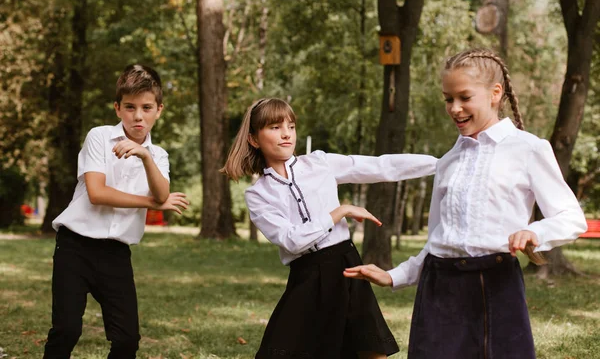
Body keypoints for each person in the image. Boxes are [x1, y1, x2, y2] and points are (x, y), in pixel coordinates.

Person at [344, 48, 588, 359]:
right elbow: (438, 239)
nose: (455, 108)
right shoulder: (449, 160)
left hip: (496, 287)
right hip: (438, 288)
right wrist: (395, 276)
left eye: (464, 97)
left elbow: (570, 217)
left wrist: (536, 233)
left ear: (494, 93)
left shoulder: (528, 149)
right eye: (448, 99)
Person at [221, 97, 438, 359]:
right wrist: (340, 212)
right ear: (254, 139)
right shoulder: (258, 194)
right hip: (307, 277)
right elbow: (291, 240)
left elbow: (383, 166)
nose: (286, 134)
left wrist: (442, 164)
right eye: (275, 127)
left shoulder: (319, 163)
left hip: (346, 266)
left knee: (370, 351)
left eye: (290, 125)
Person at [43, 64, 189, 359]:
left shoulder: (158, 155)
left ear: (159, 110)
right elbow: (98, 194)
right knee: (67, 330)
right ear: (117, 108)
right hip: (76, 248)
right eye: (130, 107)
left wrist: (145, 156)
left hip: (116, 255)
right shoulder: (98, 137)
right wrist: (151, 203)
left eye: (147, 107)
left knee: (126, 340)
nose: (138, 116)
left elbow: (162, 192)